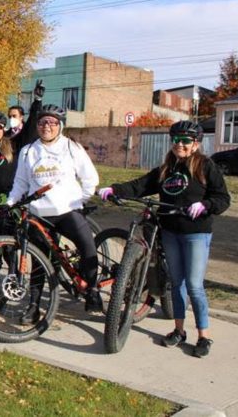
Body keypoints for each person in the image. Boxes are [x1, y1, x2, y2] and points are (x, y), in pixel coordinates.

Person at [98, 121, 230, 358]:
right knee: (176, 282)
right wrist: (114, 189)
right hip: (169, 232)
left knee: (194, 285)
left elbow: (223, 198)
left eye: (186, 140)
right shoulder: (166, 168)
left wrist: (206, 205)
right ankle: (179, 330)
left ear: (196, 144)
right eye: (176, 139)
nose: (180, 144)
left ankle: (203, 335)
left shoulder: (205, 166)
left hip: (196, 233)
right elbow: (141, 185)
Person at [6, 104, 101, 322]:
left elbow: (90, 178)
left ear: (60, 126)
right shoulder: (28, 151)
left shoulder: (71, 147)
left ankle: (93, 290)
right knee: (39, 261)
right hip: (39, 213)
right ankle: (33, 307)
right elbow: (20, 182)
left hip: (67, 210)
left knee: (87, 245)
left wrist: (81, 201)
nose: (46, 126)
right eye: (42, 122)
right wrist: (11, 202)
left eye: (52, 122)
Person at [17, 79, 45, 148]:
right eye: (10, 116)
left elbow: (35, 115)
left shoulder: (28, 129)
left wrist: (38, 99)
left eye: (14, 116)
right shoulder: (7, 134)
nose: (12, 118)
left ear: (21, 117)